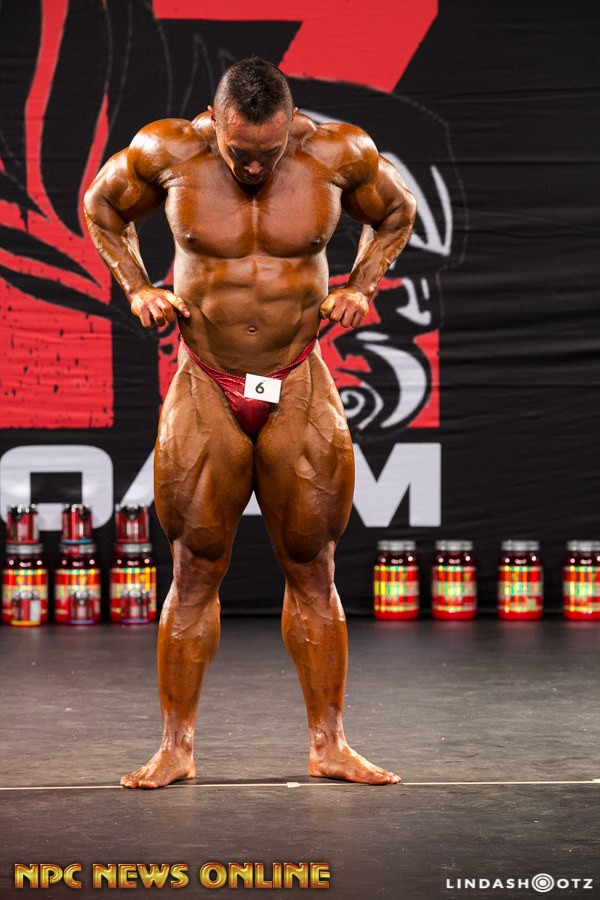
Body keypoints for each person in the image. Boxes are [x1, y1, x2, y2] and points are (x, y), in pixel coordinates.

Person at [84, 57, 416, 788]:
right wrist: (137, 286)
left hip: (297, 375)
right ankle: (176, 748)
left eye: (269, 151)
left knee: (314, 565)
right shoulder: (168, 150)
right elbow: (101, 205)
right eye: (241, 153)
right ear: (215, 122)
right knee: (194, 567)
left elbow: (396, 213)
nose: (256, 167)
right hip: (206, 377)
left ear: (291, 125)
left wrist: (362, 285)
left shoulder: (339, 152)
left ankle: (329, 745)